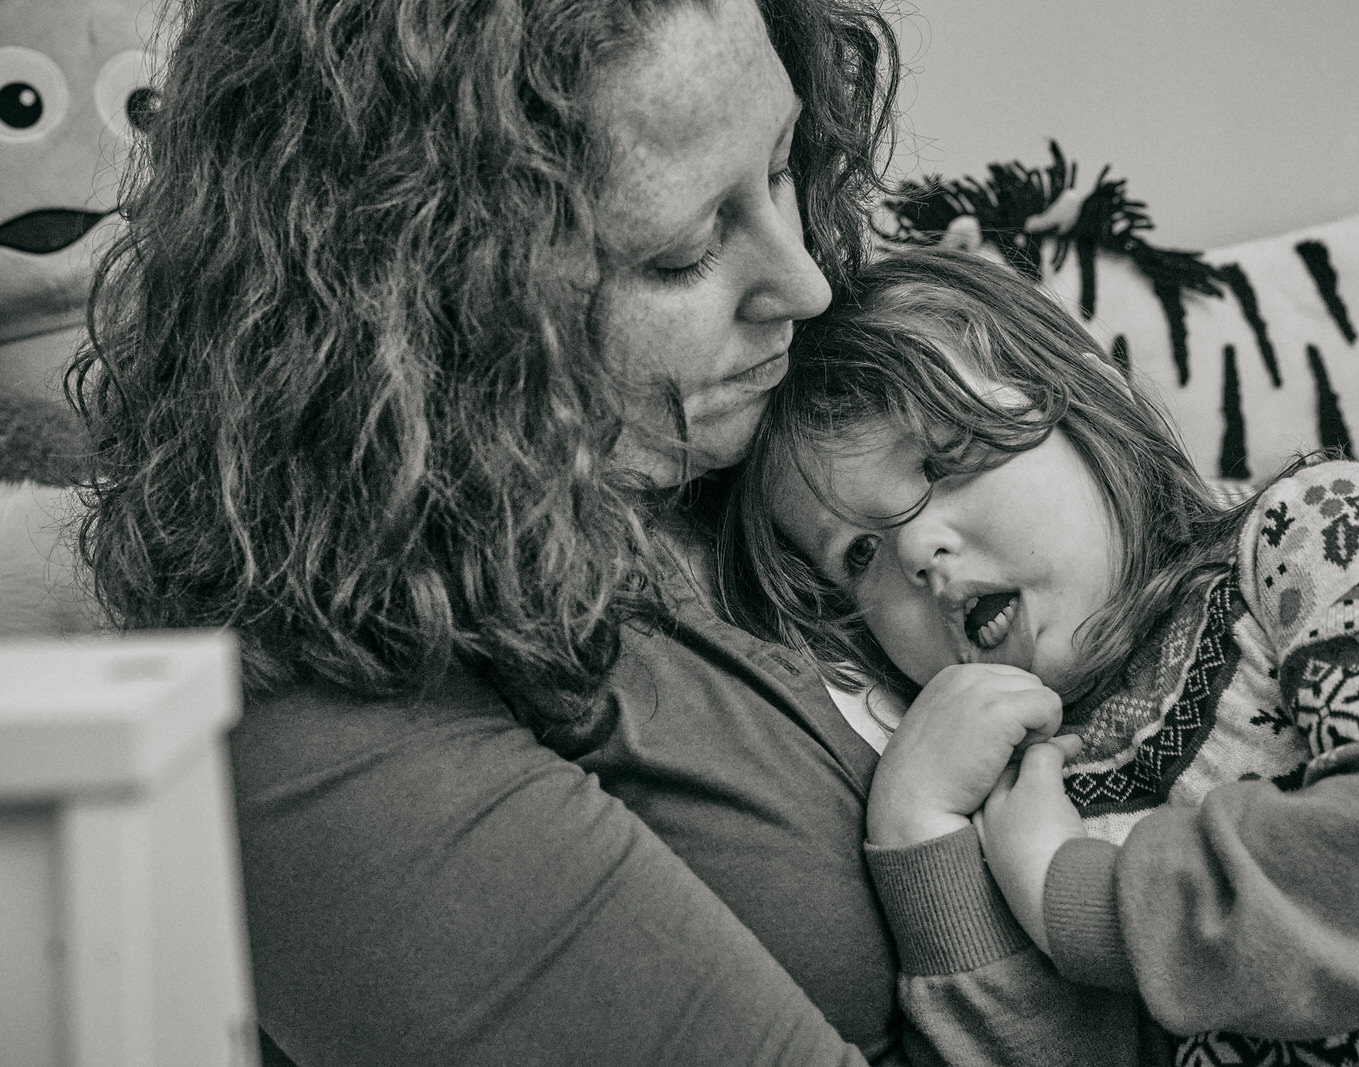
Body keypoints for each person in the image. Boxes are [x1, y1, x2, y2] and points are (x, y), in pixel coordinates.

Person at [64, 2, 1137, 1064]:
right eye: (680, 254)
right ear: (430, 298)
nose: (806, 284)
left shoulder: (761, 431)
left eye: (780, 165)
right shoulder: (327, 715)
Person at [721, 247, 1359, 1066]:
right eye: (860, 554)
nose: (918, 554)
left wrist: (1081, 896)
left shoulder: (1313, 532)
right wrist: (918, 832)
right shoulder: (1015, 798)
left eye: (948, 459)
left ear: (1088, 409)